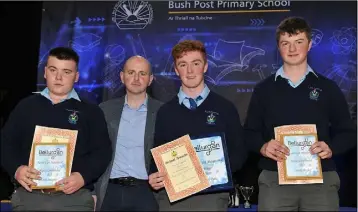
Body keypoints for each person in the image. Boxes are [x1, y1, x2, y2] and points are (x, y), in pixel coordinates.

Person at [244, 17, 357, 211]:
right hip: (275, 179)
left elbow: (349, 132)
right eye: (285, 43)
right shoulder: (263, 89)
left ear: (310, 44)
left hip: (321, 180)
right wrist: (263, 147)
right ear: (278, 48)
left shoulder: (328, 88)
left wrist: (331, 148)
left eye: (299, 42)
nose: (292, 49)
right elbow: (249, 133)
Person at [1, 47, 112, 211]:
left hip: (74, 199)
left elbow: (102, 152)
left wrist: (83, 177)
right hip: (29, 197)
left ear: (76, 76)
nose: (58, 77)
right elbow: (5, 145)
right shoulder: (25, 107)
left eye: (66, 72)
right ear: (45, 72)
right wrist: (17, 169)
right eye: (53, 70)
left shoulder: (91, 111)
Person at [148, 40, 247, 211]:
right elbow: (157, 155)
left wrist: (216, 172)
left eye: (196, 63)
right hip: (173, 200)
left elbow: (240, 152)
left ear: (206, 66)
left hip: (212, 197)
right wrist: (154, 176)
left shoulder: (225, 108)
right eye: (183, 64)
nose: (190, 70)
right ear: (176, 70)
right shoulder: (165, 112)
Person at [95, 56, 162, 211]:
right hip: (110, 192)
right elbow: (94, 153)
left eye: (142, 73)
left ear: (150, 79)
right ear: (122, 76)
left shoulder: (162, 112)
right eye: (131, 72)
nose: (136, 78)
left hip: (148, 194)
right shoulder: (104, 110)